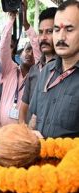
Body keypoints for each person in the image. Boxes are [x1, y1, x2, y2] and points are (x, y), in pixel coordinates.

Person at [29, 0, 79, 138]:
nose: (61, 37)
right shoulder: (46, 71)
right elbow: (34, 117)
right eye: (56, 29)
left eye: (69, 29)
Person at [0, 0, 41, 129]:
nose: (30, 54)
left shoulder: (37, 75)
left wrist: (25, 23)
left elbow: (38, 50)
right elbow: (3, 48)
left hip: (21, 137)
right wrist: (11, 19)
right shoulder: (9, 69)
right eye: (27, 49)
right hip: (0, 132)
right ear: (20, 53)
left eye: (32, 51)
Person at [19, 7, 57, 124]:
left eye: (49, 31)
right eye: (41, 32)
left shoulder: (66, 70)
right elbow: (23, 110)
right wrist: (24, 133)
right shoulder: (34, 70)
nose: (43, 37)